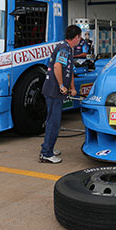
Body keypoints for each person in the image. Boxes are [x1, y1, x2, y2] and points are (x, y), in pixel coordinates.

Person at [39, 25, 82, 163]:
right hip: (53, 91)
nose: (80, 40)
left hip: (53, 90)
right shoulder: (64, 49)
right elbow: (58, 66)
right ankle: (46, 153)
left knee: (53, 120)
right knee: (54, 122)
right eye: (80, 37)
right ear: (76, 37)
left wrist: (72, 87)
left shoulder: (68, 49)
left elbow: (69, 70)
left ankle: (48, 146)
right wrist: (61, 86)